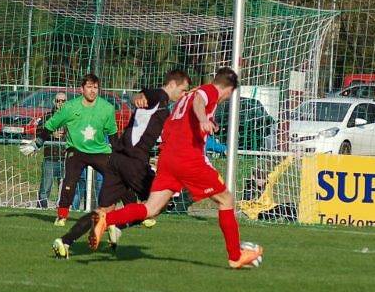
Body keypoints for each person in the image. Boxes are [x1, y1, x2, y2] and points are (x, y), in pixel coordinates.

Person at [86, 67, 263, 269]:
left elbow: (176, 122)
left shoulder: (184, 98)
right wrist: (204, 119)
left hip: (168, 158)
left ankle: (106, 219)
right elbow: (200, 102)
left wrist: (206, 121)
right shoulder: (208, 91)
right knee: (226, 199)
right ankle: (235, 255)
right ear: (229, 89)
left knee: (151, 209)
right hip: (187, 159)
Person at [52, 69, 192, 257]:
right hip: (134, 162)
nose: (183, 94)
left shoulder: (163, 106)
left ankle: (65, 241)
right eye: (183, 90)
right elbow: (146, 94)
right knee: (159, 204)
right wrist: (139, 96)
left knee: (103, 210)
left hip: (116, 160)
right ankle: (117, 225)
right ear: (172, 84)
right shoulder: (160, 96)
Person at [20, 73, 117, 226]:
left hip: (99, 151)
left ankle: (137, 213)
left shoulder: (107, 108)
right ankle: (62, 216)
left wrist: (119, 156)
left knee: (118, 176)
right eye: (89, 87)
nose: (93, 91)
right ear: (81, 89)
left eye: (96, 87)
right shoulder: (70, 107)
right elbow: (50, 125)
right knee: (69, 181)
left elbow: (113, 134)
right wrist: (37, 143)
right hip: (76, 151)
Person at [36, 92, 87, 211]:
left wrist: (66, 133)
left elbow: (78, 134)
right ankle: (41, 208)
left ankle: (63, 210)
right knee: (45, 188)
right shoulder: (47, 117)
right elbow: (38, 133)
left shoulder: (72, 116)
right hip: (50, 158)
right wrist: (51, 133)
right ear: (54, 102)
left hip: (65, 158)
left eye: (63, 101)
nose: (60, 103)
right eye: (58, 101)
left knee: (65, 188)